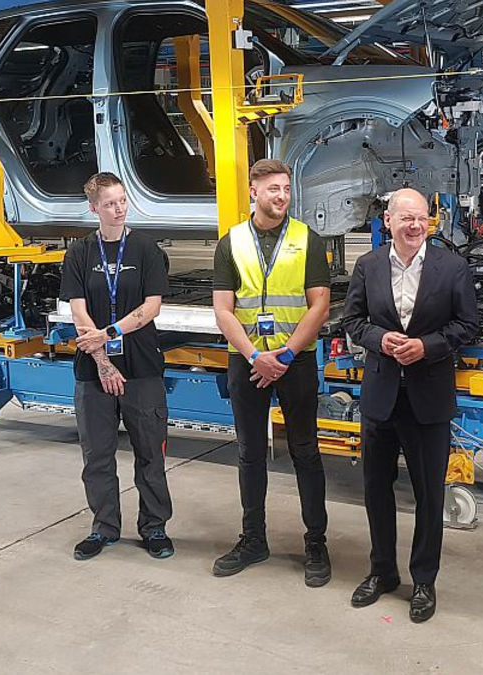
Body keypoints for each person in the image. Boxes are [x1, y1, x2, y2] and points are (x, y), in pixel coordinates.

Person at [342, 188, 479, 624]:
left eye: (421, 218)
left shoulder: (452, 267)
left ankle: (423, 579)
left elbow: (468, 325)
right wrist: (379, 340)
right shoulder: (367, 266)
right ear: (388, 221)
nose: (414, 226)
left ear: (429, 222)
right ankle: (382, 571)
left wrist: (427, 346)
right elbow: (352, 321)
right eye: (405, 218)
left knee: (427, 493)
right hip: (381, 396)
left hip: (428, 397)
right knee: (376, 491)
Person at [211, 159, 333, 587]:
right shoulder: (231, 243)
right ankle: (253, 538)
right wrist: (253, 355)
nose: (281, 196)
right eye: (273, 189)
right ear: (253, 192)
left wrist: (283, 354)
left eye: (285, 189)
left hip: (295, 359)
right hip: (247, 361)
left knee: (305, 451)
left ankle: (316, 542)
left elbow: (320, 303)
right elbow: (223, 309)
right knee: (249, 453)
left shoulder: (307, 240)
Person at [60, 172, 175, 561]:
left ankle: (154, 526)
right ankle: (104, 527)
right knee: (97, 455)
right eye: (110, 203)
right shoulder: (79, 253)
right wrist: (103, 361)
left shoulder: (145, 249)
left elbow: (152, 306)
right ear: (94, 208)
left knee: (150, 452)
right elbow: (78, 310)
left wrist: (108, 333)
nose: (119, 208)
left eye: (123, 200)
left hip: (141, 368)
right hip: (93, 370)